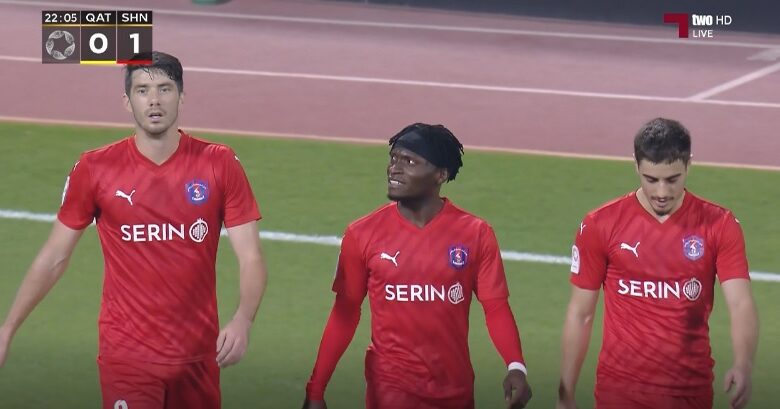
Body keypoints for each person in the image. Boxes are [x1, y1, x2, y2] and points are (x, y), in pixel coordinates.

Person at [0, 51, 268, 409]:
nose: (154, 100)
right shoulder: (95, 168)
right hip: (127, 357)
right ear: (127, 102)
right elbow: (54, 256)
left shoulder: (219, 163)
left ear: (182, 97)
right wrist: (7, 329)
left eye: (164, 89)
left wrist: (243, 319)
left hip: (199, 359)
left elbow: (251, 257)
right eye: (142, 90)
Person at [302, 123, 532, 409]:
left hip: (455, 389)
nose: (394, 169)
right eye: (393, 158)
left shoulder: (476, 233)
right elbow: (345, 313)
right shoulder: (361, 234)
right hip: (390, 388)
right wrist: (316, 390)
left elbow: (495, 307)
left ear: (440, 175)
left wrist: (515, 365)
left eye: (409, 161)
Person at [557, 118, 759, 409]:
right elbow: (580, 313)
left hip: (690, 394)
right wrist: (565, 394)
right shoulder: (600, 225)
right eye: (651, 180)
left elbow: (740, 304)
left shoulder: (719, 225)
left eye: (672, 179)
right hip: (619, 393)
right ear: (636, 166)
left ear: (689, 164)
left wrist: (743, 364)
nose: (662, 192)